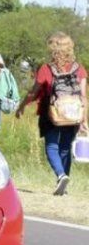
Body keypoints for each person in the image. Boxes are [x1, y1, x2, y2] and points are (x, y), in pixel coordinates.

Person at [15, 32, 87, 196]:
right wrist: (84, 119)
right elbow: (84, 96)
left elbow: (33, 92)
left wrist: (22, 106)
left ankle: (61, 175)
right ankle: (64, 183)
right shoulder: (79, 69)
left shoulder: (46, 69)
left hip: (51, 112)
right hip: (73, 113)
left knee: (51, 146)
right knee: (65, 148)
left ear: (53, 49)